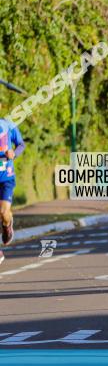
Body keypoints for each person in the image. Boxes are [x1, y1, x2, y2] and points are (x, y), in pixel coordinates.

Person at [0, 112, 25, 266]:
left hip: (6, 178)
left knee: (3, 212)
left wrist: (13, 153)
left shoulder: (8, 125)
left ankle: (7, 225)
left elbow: (21, 144)